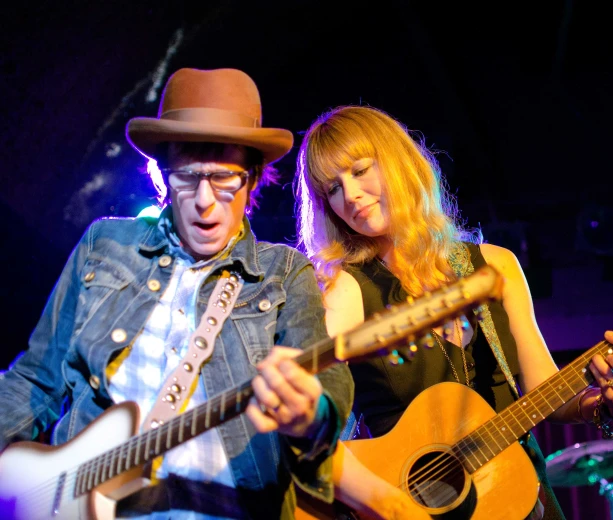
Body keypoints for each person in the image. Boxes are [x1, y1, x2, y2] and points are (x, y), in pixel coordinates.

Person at [0, 68, 353, 520]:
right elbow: (35, 380)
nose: (205, 199)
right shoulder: (104, 245)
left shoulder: (283, 272)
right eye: (188, 176)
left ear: (253, 177)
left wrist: (312, 415)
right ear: (162, 176)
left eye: (224, 178)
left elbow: (327, 387)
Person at [294, 105, 613, 519]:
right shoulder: (344, 286)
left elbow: (546, 392)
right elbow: (303, 404)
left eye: (359, 170)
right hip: (409, 506)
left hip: (515, 494)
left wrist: (603, 405)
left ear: (398, 161)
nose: (350, 195)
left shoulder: (495, 266)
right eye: (332, 189)